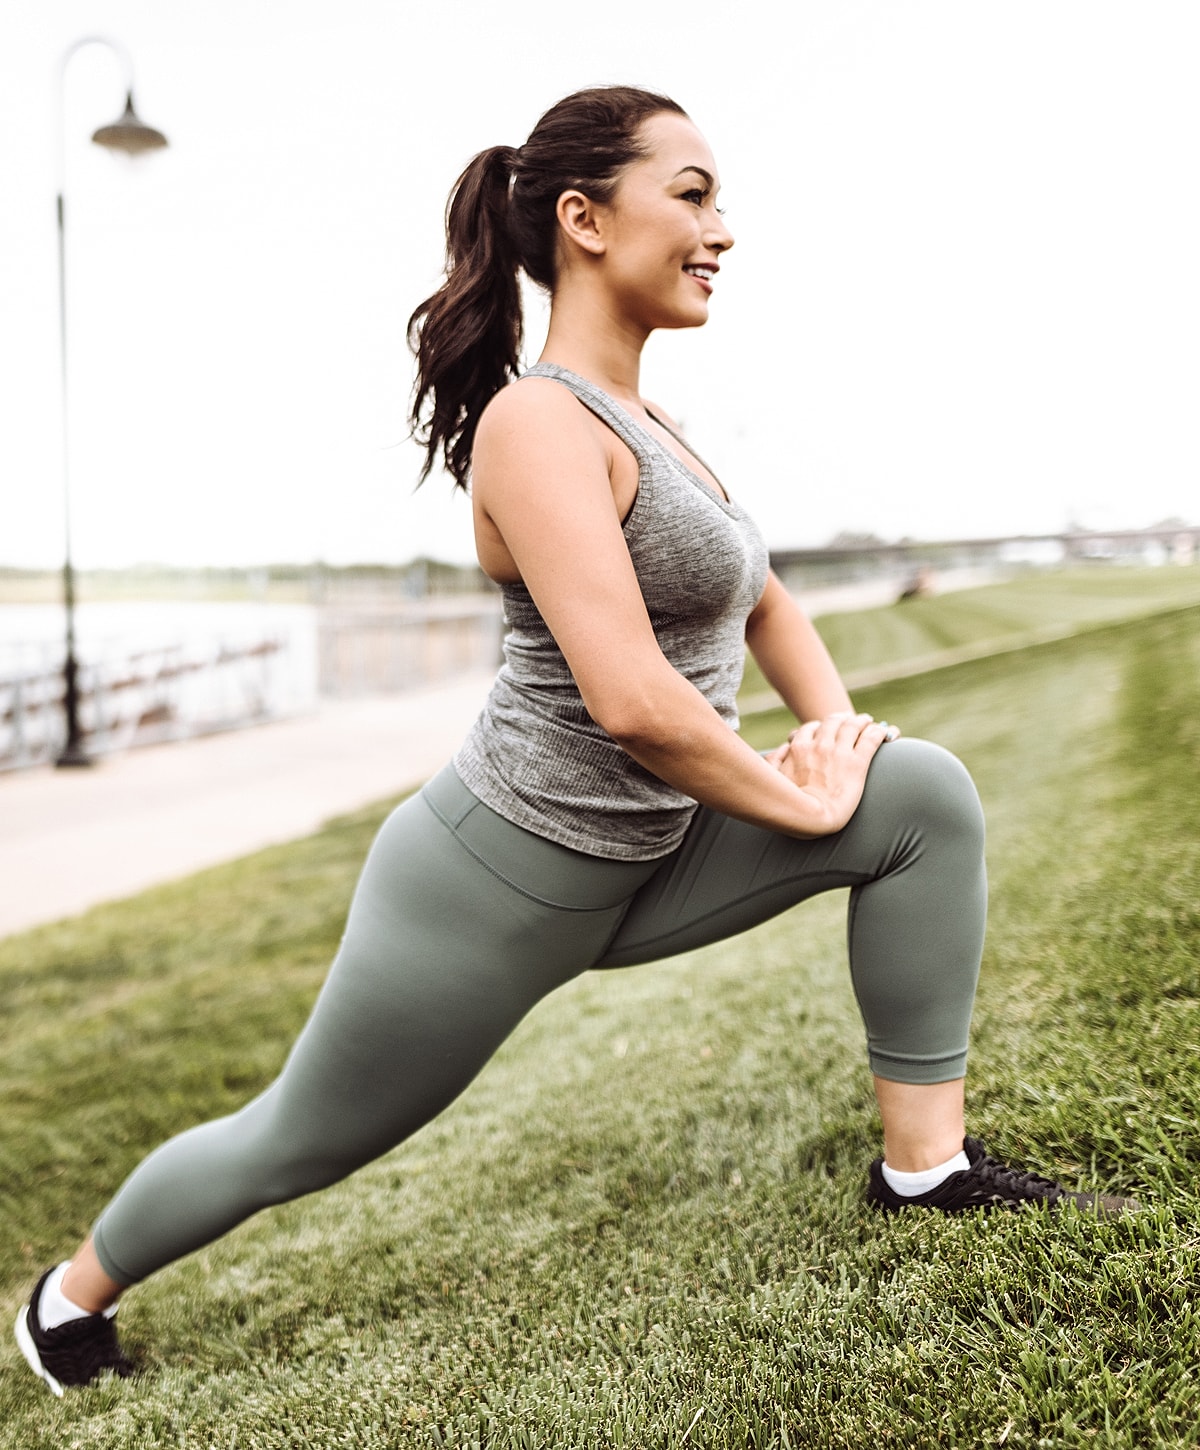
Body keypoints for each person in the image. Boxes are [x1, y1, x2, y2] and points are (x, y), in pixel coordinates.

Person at [16, 84, 1136, 1398]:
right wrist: (804, 804)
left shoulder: (659, 428)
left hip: (654, 848)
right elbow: (636, 703)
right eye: (694, 193)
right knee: (297, 1139)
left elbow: (764, 596)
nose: (724, 228)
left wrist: (835, 744)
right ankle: (65, 1299)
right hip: (495, 881)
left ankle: (925, 1169)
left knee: (921, 798)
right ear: (584, 219)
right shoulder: (537, 424)